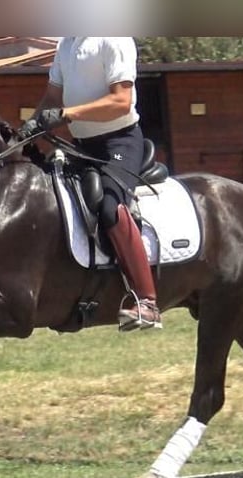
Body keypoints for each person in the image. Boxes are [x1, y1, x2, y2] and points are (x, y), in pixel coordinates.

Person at [20, 37, 161, 331]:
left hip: (119, 142)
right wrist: (29, 128)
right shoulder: (66, 44)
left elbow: (121, 102)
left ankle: (147, 301)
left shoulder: (113, 38)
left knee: (110, 206)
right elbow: (52, 98)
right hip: (82, 145)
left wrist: (66, 114)